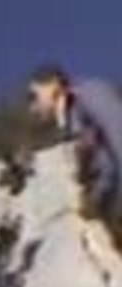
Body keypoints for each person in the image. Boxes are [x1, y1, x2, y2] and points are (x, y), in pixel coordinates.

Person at [28, 64, 122, 221]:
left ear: (53, 85)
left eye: (33, 96)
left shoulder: (88, 92)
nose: (32, 107)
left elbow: (118, 132)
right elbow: (105, 169)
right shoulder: (69, 126)